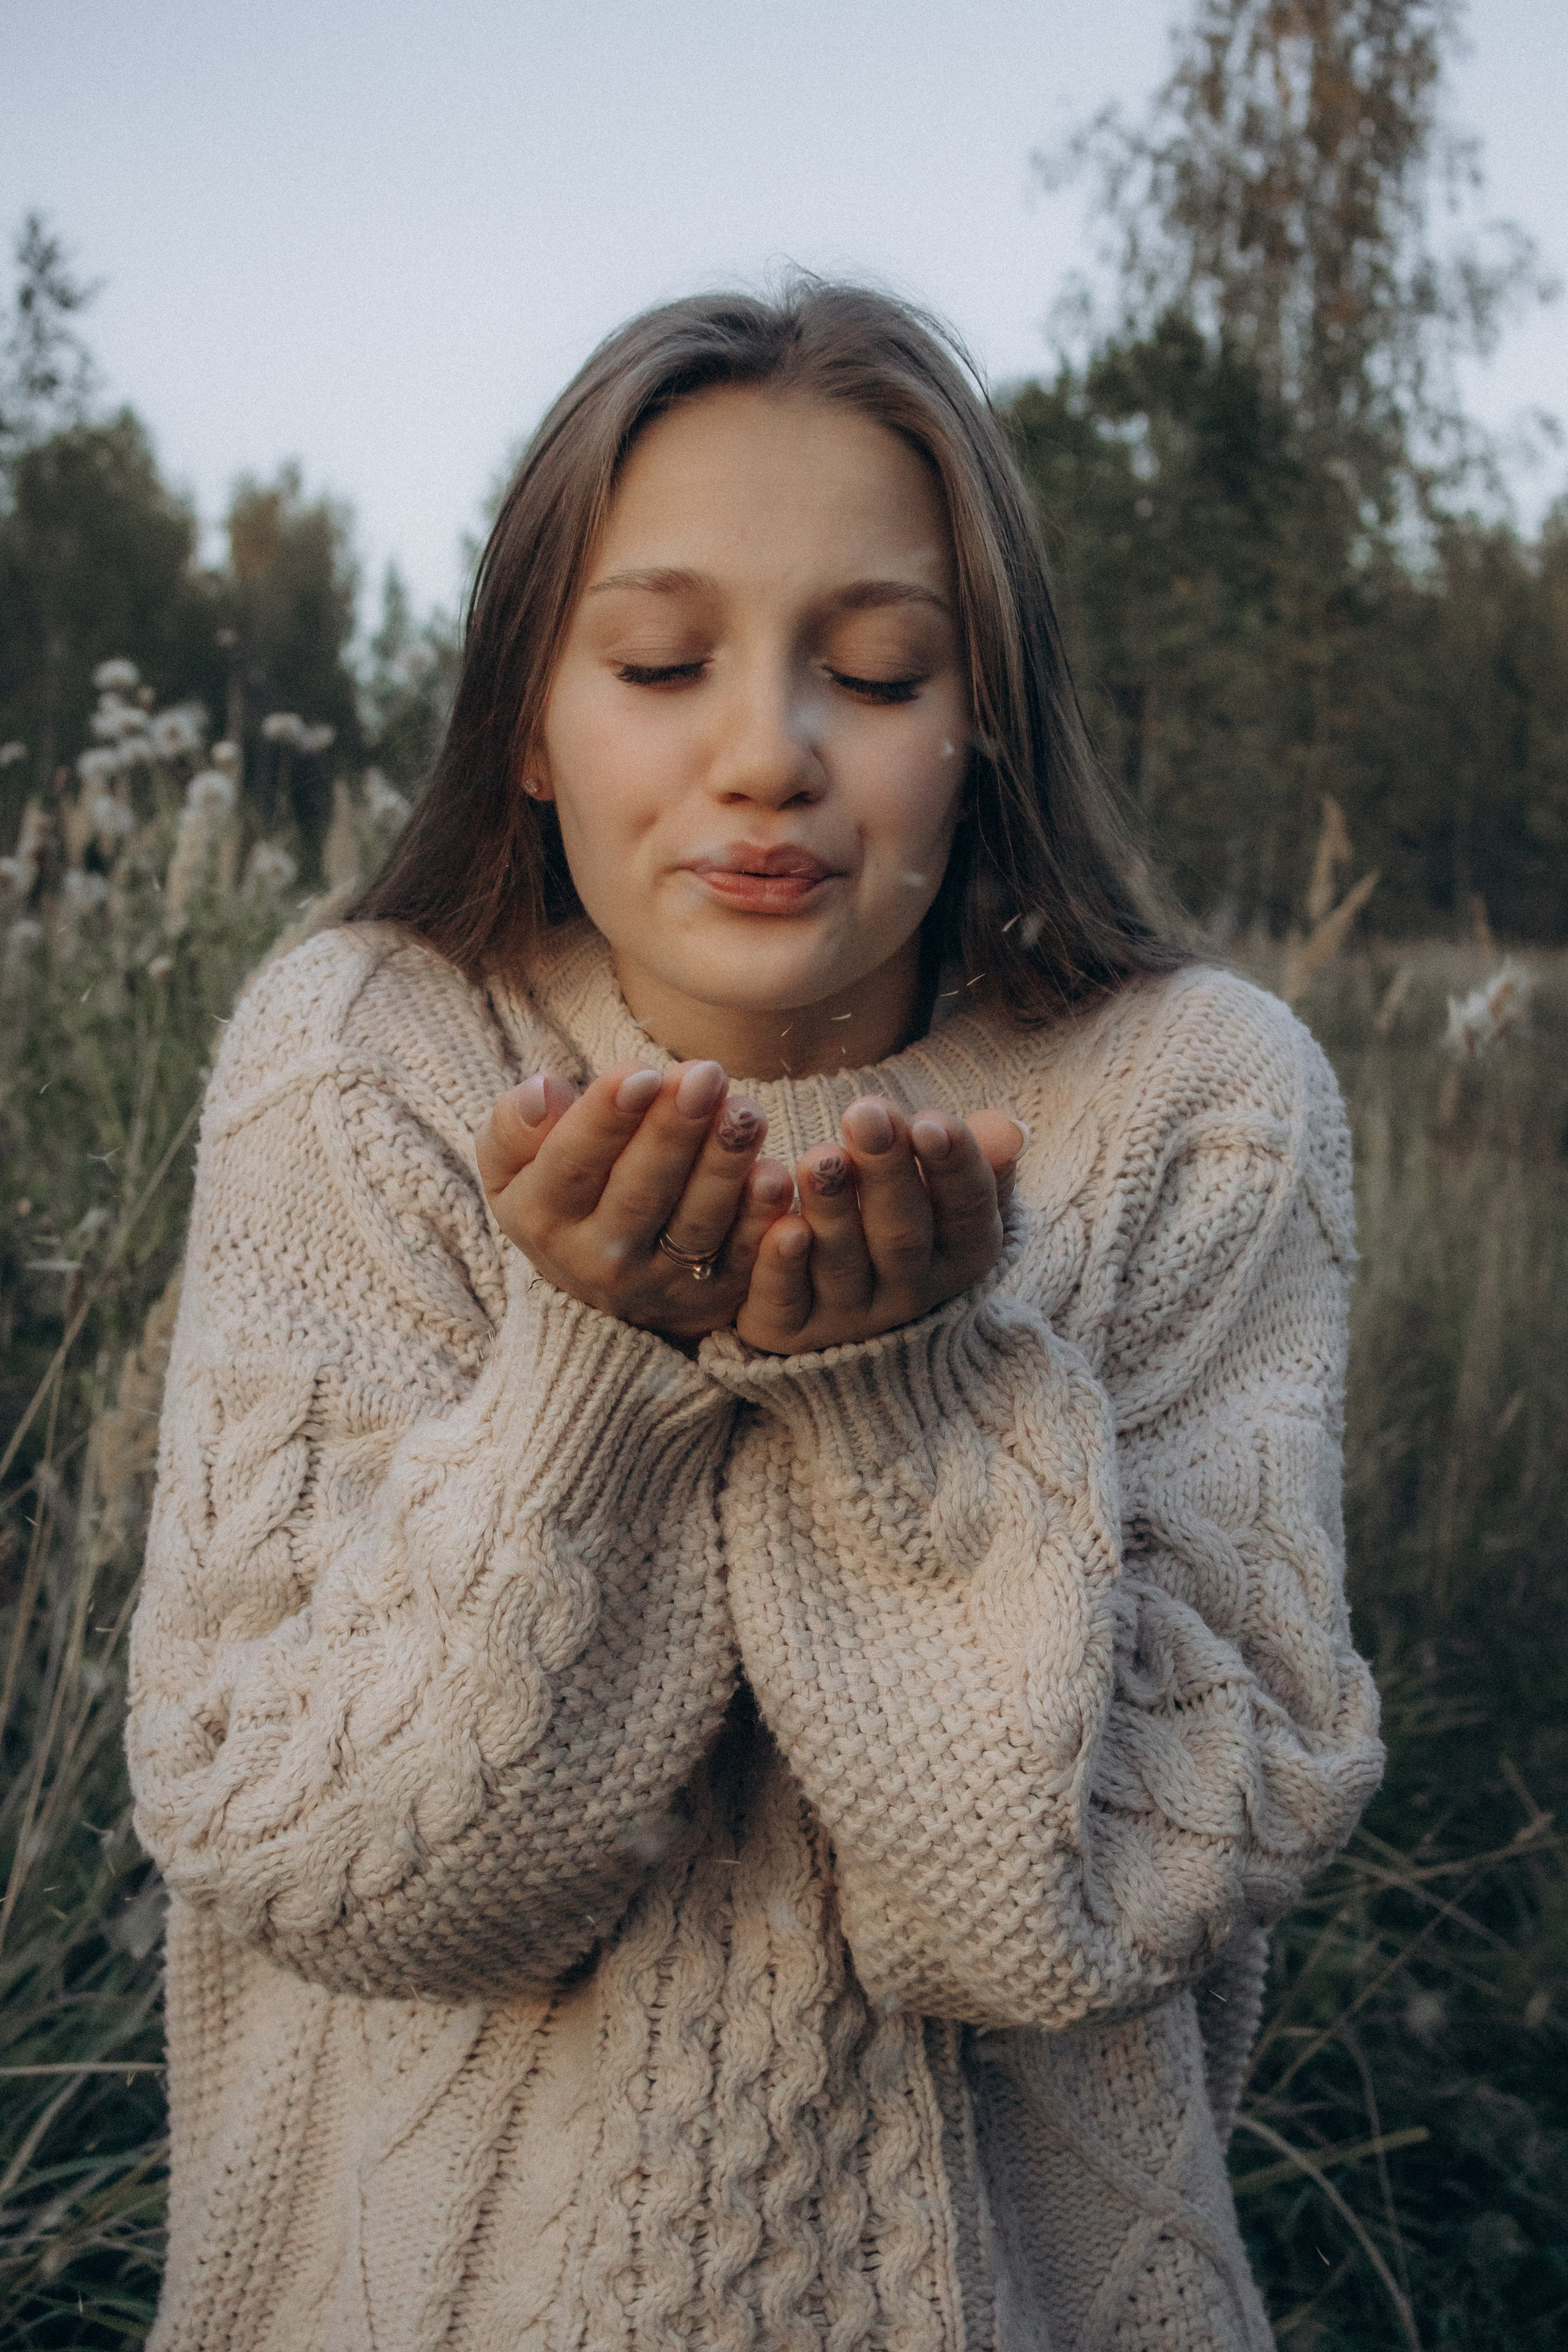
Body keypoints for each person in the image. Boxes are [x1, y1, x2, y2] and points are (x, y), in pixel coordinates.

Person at [127, 281, 1384, 2352]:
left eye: (879, 670)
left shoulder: (1198, 1107)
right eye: (660, 658)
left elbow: (1066, 1911)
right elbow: (340, 1866)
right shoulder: (360, 1066)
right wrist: (588, 1376)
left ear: (986, 716)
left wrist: (911, 1407)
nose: (770, 751)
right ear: (528, 717)